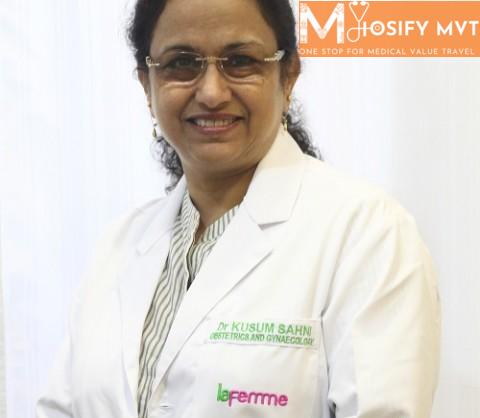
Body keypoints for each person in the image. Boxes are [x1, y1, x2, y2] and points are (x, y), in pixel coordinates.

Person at [36, 0, 440, 417]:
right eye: (182, 63)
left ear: (288, 76)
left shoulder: (367, 235)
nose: (211, 92)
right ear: (146, 84)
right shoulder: (118, 246)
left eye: (240, 61)